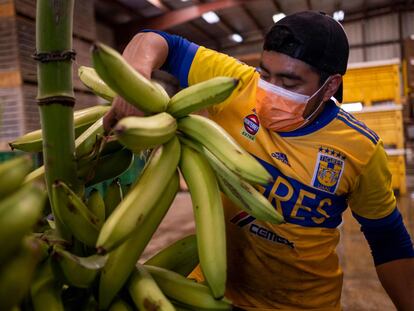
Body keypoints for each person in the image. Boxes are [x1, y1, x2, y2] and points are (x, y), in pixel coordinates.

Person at [104, 11, 414, 311]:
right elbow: (156, 40)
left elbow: (388, 239)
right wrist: (135, 78)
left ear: (330, 85)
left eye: (290, 83)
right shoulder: (236, 85)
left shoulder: (360, 148)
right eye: (265, 74)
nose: (269, 91)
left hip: (304, 304)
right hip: (212, 291)